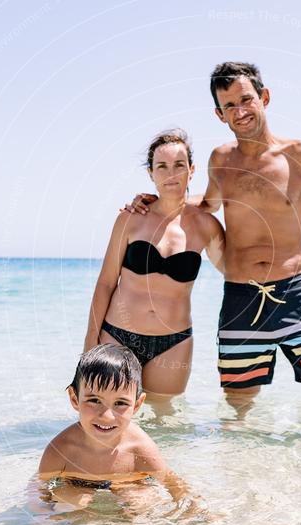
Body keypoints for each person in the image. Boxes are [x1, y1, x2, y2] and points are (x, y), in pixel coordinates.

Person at [127, 62, 301, 413]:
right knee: (238, 415)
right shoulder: (221, 160)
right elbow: (207, 204)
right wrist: (161, 198)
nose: (240, 111)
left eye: (246, 99)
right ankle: (242, 471)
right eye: (229, 105)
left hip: (298, 297)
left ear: (264, 97)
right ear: (219, 115)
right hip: (240, 301)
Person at [84, 129, 224, 396]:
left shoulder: (207, 226)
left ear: (191, 170)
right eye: (162, 166)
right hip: (117, 335)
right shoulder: (131, 218)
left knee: (167, 428)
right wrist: (91, 341)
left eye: (178, 165)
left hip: (174, 344)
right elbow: (105, 283)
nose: (171, 174)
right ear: (151, 173)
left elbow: (235, 272)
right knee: (108, 417)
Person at [38, 344, 200, 512]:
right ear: (74, 398)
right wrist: (40, 518)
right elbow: (39, 486)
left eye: (120, 403)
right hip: (76, 484)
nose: (107, 416)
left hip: (130, 483)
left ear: (137, 405)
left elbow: (171, 481)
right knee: (67, 505)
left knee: (143, 503)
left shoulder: (139, 447)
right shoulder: (61, 449)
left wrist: (196, 508)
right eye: (94, 400)